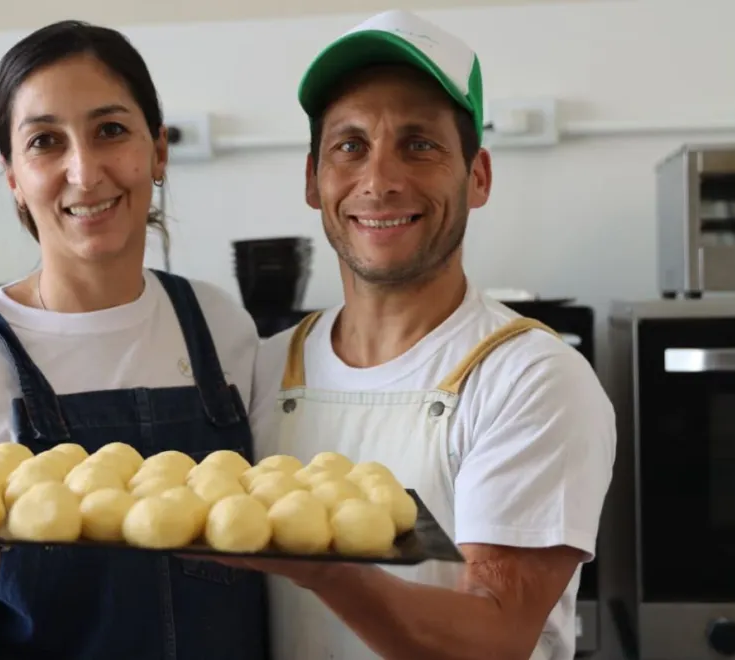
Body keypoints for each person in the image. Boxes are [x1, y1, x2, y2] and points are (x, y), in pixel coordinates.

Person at [0, 20, 270, 660]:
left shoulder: (221, 325)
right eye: (45, 142)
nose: (85, 173)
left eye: (110, 130)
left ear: (158, 151)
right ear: (13, 176)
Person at [240, 9, 617, 660]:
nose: (380, 181)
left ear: (478, 177)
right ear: (312, 180)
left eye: (419, 145)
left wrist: (322, 568)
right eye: (350, 146)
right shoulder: (265, 368)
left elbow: (495, 635)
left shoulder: (530, 378)